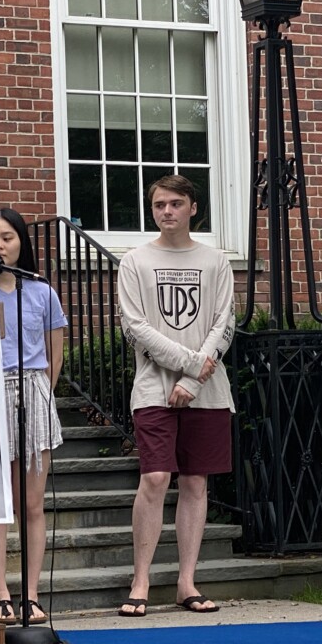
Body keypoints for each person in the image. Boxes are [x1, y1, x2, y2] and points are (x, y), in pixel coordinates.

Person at [116, 175, 235, 617]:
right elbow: (135, 327)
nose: (166, 211)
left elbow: (224, 324)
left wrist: (194, 380)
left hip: (206, 390)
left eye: (175, 204)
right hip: (153, 388)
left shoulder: (215, 261)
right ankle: (141, 579)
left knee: (195, 481)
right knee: (155, 478)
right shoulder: (135, 261)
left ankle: (187, 581)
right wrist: (187, 365)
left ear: (193, 208)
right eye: (159, 205)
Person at [0, 208, 67, 624]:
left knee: (31, 503)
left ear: (22, 242)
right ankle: (0, 593)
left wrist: (42, 394)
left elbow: (54, 353)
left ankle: (32, 594)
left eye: (6, 237)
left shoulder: (40, 291)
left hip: (33, 390)